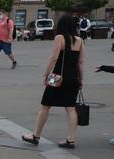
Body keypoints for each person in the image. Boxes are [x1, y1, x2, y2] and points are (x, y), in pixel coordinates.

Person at [21, 14, 84, 149]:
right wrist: (81, 79)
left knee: (45, 106)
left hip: (57, 77)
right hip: (73, 78)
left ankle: (36, 135)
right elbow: (80, 62)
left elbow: (54, 58)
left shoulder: (59, 38)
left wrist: (46, 74)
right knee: (71, 108)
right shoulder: (79, 40)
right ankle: (71, 139)